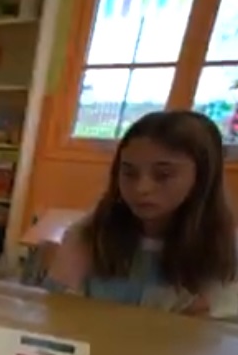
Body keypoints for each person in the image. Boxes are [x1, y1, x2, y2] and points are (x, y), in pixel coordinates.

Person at [44, 110, 238, 318]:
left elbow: (216, 329)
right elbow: (56, 313)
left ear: (202, 178)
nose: (141, 188)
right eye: (129, 172)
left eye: (163, 175)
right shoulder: (90, 235)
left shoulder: (224, 249)